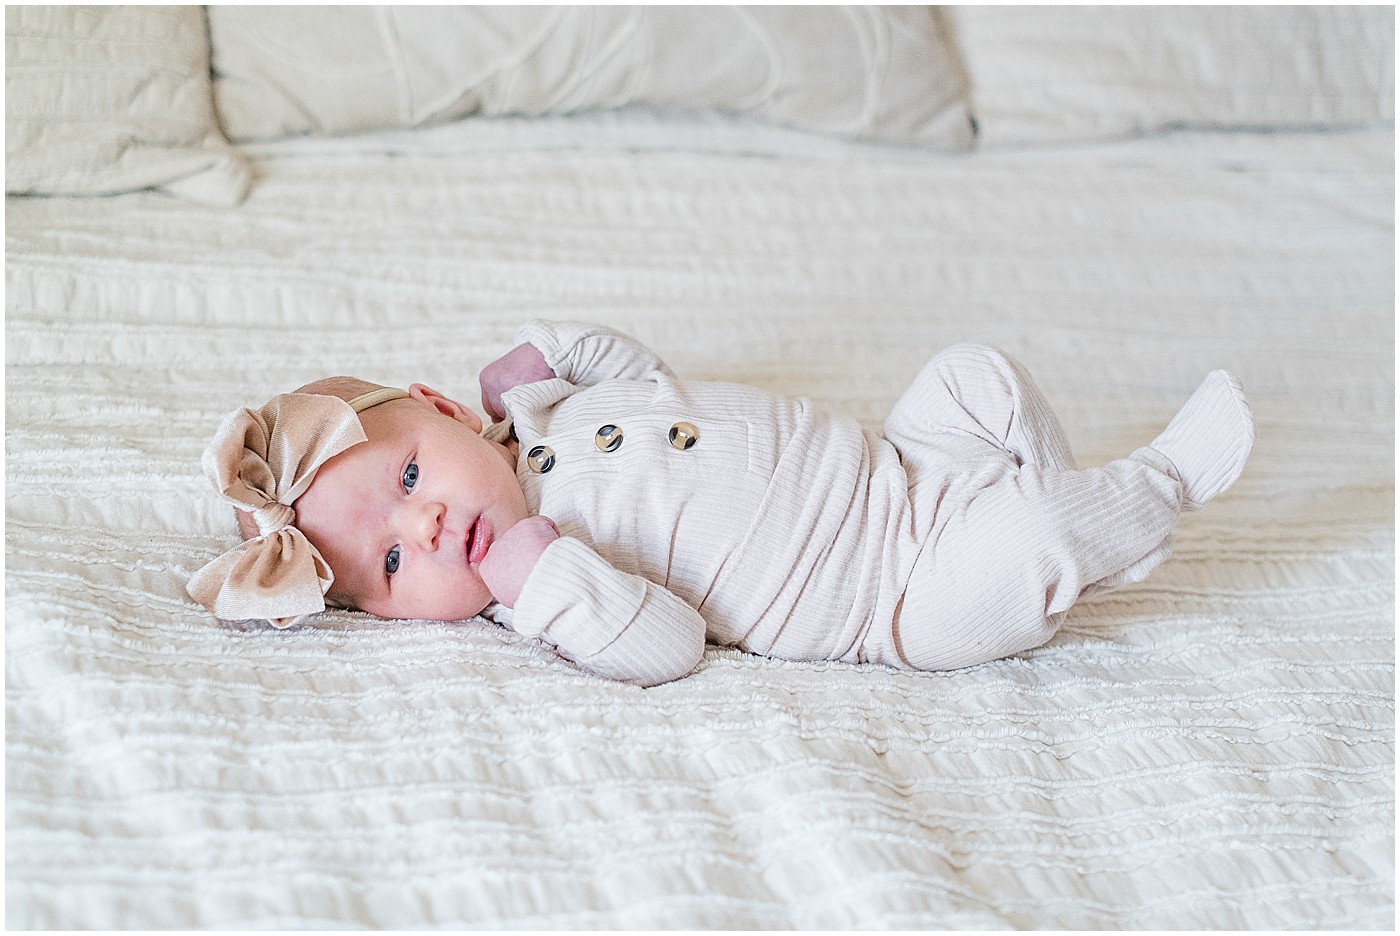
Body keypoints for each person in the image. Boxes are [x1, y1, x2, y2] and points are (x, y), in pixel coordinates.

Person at [187, 320, 1254, 686]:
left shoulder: (551, 416)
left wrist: (562, 352)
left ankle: (1065, 500)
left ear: (438, 407)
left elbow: (651, 379)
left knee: (974, 374)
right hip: (898, 597)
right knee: (1023, 541)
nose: (422, 531)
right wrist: (546, 576)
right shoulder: (541, 589)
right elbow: (668, 646)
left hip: (898, 462)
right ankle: (1151, 488)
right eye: (389, 567)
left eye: (410, 478)